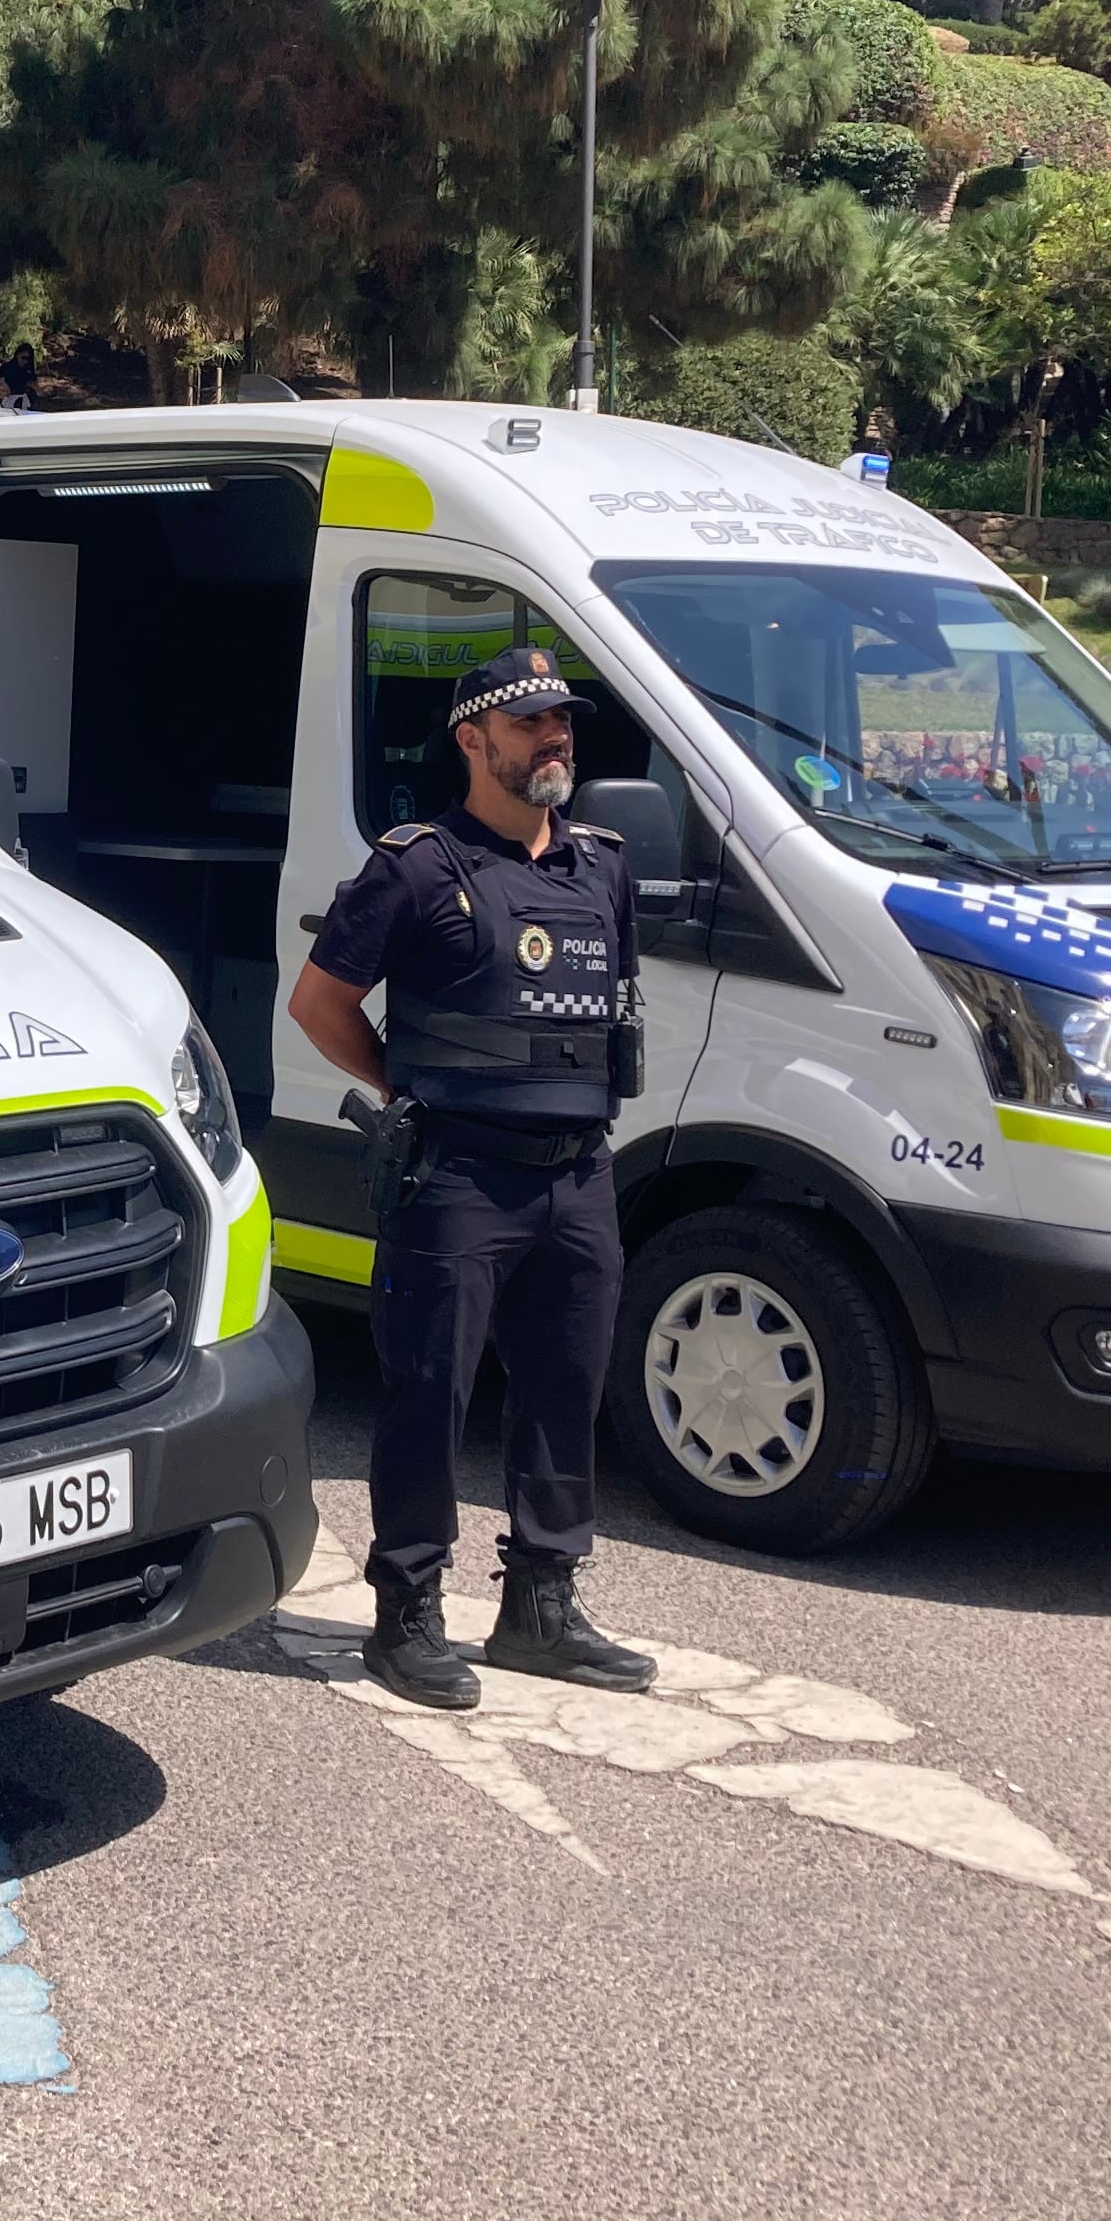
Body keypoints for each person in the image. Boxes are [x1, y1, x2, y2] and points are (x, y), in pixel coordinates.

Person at [283, 644, 657, 1711]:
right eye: (531, 723)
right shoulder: (414, 865)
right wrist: (407, 1090)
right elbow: (319, 1002)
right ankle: (406, 1614)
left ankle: (541, 1609)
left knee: (565, 1393)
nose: (554, 740)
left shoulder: (600, 865)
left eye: (563, 725)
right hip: (458, 1181)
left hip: (578, 1176)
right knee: (429, 1398)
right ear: (473, 740)